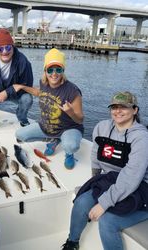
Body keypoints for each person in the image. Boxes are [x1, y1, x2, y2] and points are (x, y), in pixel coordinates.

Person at [62, 91, 148, 250]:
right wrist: (94, 181)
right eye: (114, 107)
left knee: (108, 220)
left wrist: (104, 203)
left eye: (124, 107)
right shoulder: (102, 127)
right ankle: (72, 242)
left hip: (139, 187)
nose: (118, 111)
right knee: (81, 202)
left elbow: (131, 177)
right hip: (110, 179)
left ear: (135, 110)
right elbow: (95, 155)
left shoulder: (141, 138)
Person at [15, 48, 84, 169]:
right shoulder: (44, 83)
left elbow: (80, 120)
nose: (54, 73)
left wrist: (71, 112)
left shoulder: (73, 91)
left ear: (63, 70)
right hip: (47, 127)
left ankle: (68, 153)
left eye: (58, 69)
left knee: (71, 146)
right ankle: (54, 140)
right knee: (20, 135)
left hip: (68, 128)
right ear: (45, 70)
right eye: (50, 69)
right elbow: (39, 93)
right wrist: (22, 87)